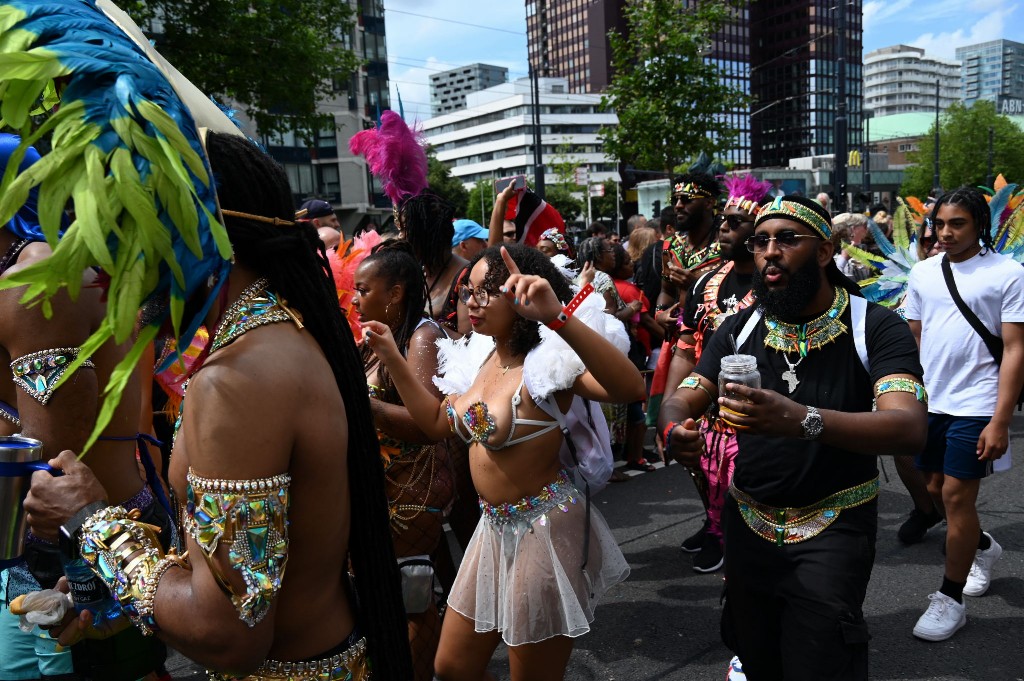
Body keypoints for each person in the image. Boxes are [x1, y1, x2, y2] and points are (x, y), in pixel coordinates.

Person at [23, 132, 413, 679]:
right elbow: (238, 577)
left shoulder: (237, 380)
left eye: (130, 234)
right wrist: (116, 593)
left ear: (186, 234)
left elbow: (230, 634)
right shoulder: (279, 334)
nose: (116, 269)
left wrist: (91, 524)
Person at [660, 195, 927, 679]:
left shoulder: (874, 326)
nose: (769, 252)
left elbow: (908, 427)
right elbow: (684, 394)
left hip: (834, 527)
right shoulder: (740, 329)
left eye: (786, 239)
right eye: (760, 241)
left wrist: (801, 419)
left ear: (825, 252)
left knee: (820, 660)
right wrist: (674, 427)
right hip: (747, 524)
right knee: (757, 655)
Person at [363, 243, 638, 681]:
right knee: (452, 667)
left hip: (544, 529)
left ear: (519, 293)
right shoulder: (479, 357)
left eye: (486, 291)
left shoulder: (547, 363)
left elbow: (629, 388)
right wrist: (393, 359)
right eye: (468, 291)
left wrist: (555, 316)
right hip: (492, 530)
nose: (472, 302)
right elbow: (436, 422)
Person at [905, 187, 1024, 641]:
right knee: (934, 492)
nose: (946, 233)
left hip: (977, 404)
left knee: (956, 498)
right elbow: (914, 337)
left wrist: (1001, 419)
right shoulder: (922, 272)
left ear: (980, 225)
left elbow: (1014, 348)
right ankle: (984, 547)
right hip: (931, 402)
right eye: (939, 224)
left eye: (958, 224)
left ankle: (949, 599)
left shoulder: (1007, 273)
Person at [352, 240, 454, 680]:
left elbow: (423, 421)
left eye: (363, 289)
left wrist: (360, 404)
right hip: (382, 487)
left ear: (394, 293)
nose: (355, 298)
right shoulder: (378, 337)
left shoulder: (422, 336)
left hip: (410, 493)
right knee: (385, 597)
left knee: (414, 598)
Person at [662, 174, 768, 574]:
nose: (724, 227)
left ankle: (735, 539)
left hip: (752, 410)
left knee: (746, 483)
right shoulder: (707, 281)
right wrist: (670, 408)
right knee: (704, 472)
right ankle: (714, 526)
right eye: (723, 220)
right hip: (704, 401)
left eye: (736, 222)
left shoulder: (773, 284)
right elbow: (687, 346)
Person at [396, 193, 467, 334]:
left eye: (405, 229)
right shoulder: (417, 273)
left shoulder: (467, 276)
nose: (400, 236)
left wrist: (423, 321)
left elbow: (469, 343)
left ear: (425, 234)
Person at [831, 213, 873, 282]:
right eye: (864, 226)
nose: (866, 230)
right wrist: (843, 258)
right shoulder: (836, 255)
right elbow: (834, 279)